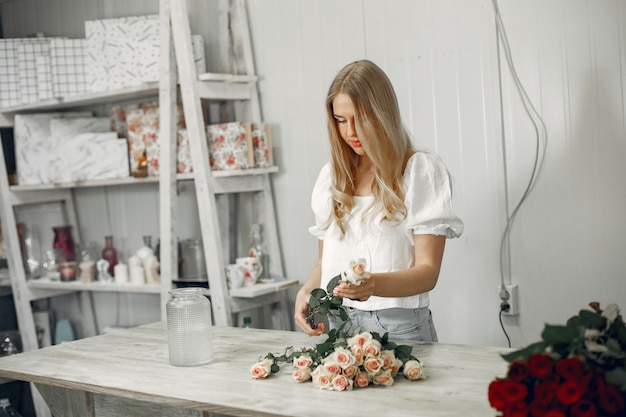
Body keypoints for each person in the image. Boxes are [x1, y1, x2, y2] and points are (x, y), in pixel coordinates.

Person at [294, 60, 464, 342]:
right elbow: (324, 261)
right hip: (338, 322)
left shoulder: (418, 170)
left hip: (398, 327)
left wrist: (373, 285)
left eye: (360, 118)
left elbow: (428, 273)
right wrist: (306, 292)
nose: (350, 132)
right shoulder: (332, 177)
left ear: (383, 113)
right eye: (341, 120)